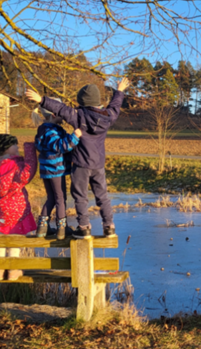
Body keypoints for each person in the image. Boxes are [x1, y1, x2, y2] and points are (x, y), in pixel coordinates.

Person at [24, 78, 130, 238]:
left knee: (80, 196)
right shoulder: (108, 116)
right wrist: (119, 91)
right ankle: (109, 227)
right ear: (97, 101)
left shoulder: (78, 115)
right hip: (98, 165)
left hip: (81, 164)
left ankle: (84, 228)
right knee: (102, 196)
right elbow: (115, 107)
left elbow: (61, 109)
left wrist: (42, 100)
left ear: (82, 102)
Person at [0, 134, 37, 281]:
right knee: (15, 237)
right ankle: (13, 271)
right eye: (15, 145)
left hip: (0, 208)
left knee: (1, 238)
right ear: (7, 148)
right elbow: (27, 174)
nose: (18, 147)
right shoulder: (14, 164)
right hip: (16, 208)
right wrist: (30, 149)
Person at [31, 102, 82, 240]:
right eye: (61, 113)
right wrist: (75, 136)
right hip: (55, 169)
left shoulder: (45, 130)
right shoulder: (51, 131)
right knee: (61, 198)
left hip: (46, 170)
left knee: (51, 198)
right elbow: (61, 146)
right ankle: (62, 228)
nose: (63, 116)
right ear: (54, 114)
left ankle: (42, 227)